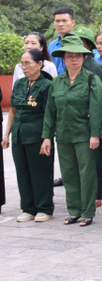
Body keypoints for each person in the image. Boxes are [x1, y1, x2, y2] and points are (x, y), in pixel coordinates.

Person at [40, 35, 102, 226]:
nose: (73, 59)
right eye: (69, 56)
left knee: (87, 173)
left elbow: (97, 109)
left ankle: (87, 212)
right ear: (64, 59)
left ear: (84, 58)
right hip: (64, 135)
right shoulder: (57, 82)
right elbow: (50, 112)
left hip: (84, 135)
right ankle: (74, 210)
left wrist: (95, 134)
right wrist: (46, 137)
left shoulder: (92, 79)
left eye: (77, 56)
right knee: (68, 173)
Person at [2, 49, 54, 222]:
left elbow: (49, 113)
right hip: (19, 134)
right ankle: (28, 208)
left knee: (40, 172)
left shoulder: (46, 85)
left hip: (37, 135)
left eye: (28, 63)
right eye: (21, 63)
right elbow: (13, 110)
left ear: (40, 64)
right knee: (22, 172)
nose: (24, 67)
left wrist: (47, 137)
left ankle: (44, 208)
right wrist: (6, 134)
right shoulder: (19, 84)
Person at [48, 7, 77, 72]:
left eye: (64, 21)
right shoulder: (51, 45)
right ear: (54, 23)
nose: (60, 24)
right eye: (57, 21)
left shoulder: (80, 43)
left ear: (72, 23)